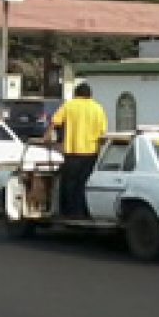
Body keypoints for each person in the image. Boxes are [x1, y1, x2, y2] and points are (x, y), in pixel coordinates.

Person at [45, 83, 107, 219]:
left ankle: (69, 212)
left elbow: (55, 122)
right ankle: (84, 212)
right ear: (90, 94)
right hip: (91, 152)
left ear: (76, 93)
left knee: (69, 183)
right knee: (84, 183)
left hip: (72, 151)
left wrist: (48, 135)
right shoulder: (98, 108)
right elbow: (103, 132)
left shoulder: (69, 105)